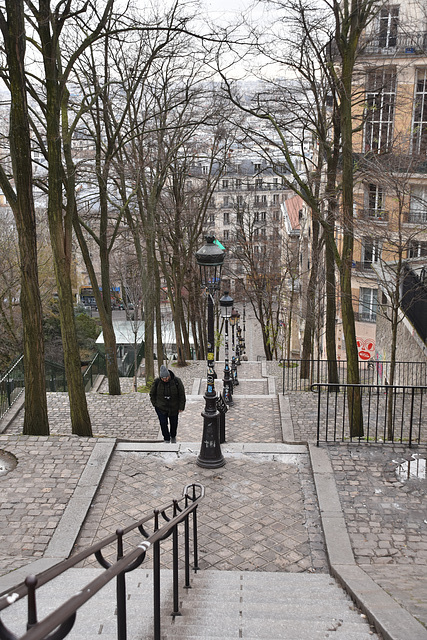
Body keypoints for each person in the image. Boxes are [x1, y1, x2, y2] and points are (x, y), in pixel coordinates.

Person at [150, 364, 186, 443]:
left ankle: (173, 436)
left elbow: (181, 394)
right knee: (163, 423)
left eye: (166, 378)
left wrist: (181, 406)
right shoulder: (157, 382)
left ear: (169, 376)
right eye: (162, 378)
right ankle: (166, 438)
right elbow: (152, 394)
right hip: (161, 407)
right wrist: (155, 404)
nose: (164, 379)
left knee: (174, 423)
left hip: (174, 407)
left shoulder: (177, 381)